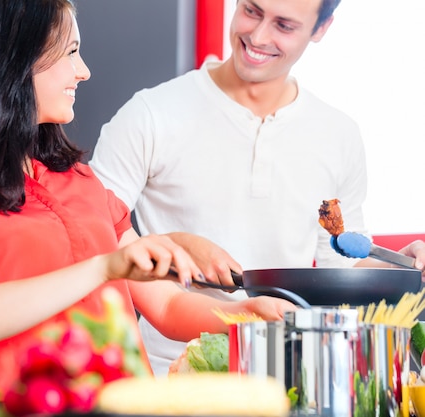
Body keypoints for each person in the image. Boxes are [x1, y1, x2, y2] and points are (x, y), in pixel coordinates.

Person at [0, 0, 295, 396]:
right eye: (71, 52)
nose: (83, 71)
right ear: (14, 61)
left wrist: (245, 315)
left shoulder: (82, 182)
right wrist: (103, 268)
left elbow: (166, 307)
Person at [89, 0, 425, 376]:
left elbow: (341, 259)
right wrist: (178, 242)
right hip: (172, 375)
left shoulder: (338, 135)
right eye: (251, 10)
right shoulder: (150, 114)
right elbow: (91, 232)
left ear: (321, 28)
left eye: (284, 25)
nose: (257, 36)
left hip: (288, 375)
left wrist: (402, 265)